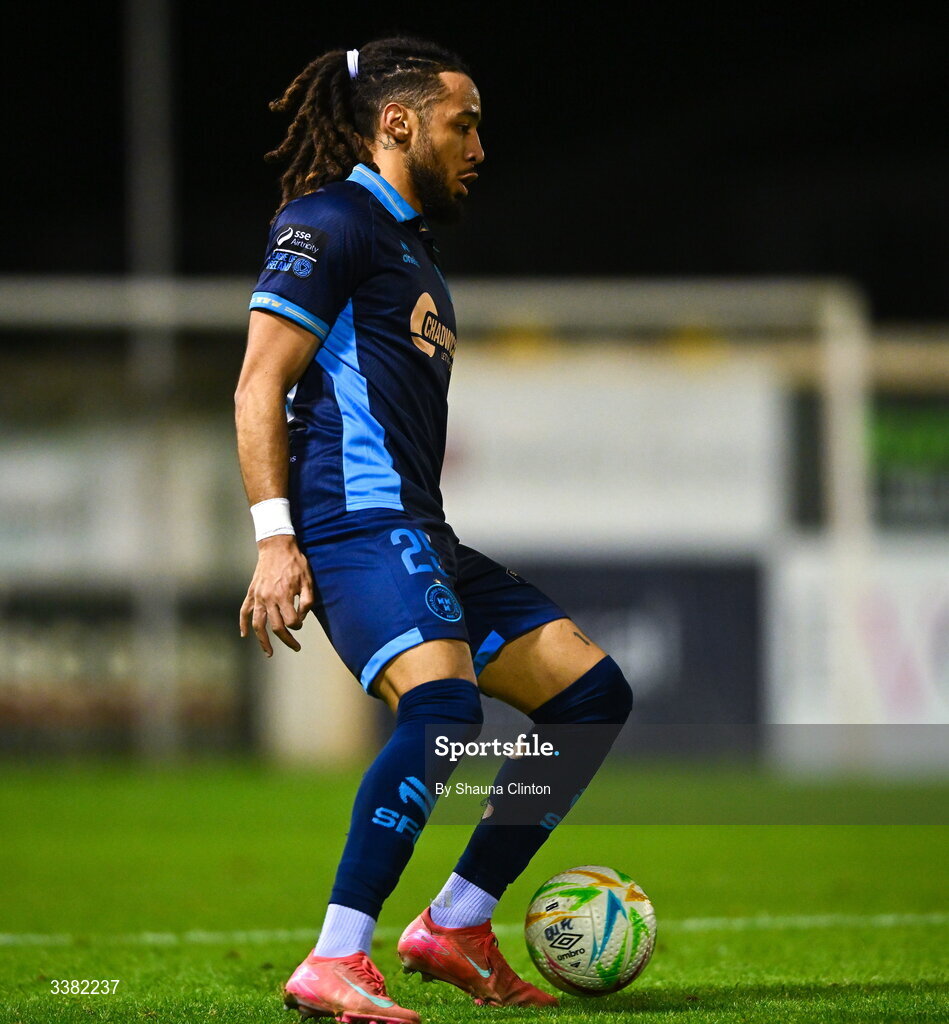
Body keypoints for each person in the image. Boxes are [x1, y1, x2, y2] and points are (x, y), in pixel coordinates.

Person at [234, 35, 633, 1024]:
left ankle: (455, 921)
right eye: (465, 125)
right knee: (444, 712)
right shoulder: (329, 220)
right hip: (354, 522)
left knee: (589, 696)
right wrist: (275, 538)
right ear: (397, 122)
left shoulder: (409, 245)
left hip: (418, 528)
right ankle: (336, 954)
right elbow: (257, 384)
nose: (478, 148)